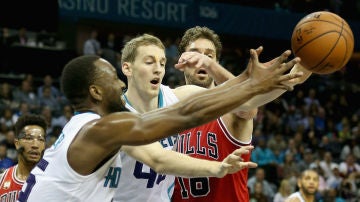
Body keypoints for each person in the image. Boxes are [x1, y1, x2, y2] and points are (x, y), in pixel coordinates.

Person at [19, 42, 302, 201]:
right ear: (95, 91)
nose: (118, 82)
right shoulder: (98, 129)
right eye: (112, 77)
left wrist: (246, 81)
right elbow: (185, 116)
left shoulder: (95, 127)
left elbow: (159, 152)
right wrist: (251, 86)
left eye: (162, 62)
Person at [172, 26, 312, 201]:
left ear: (216, 63)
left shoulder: (229, 108)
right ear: (182, 59)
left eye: (209, 55)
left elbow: (247, 107)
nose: (201, 59)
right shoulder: (169, 104)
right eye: (195, 53)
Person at [113, 33, 258, 202]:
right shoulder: (116, 117)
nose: (158, 68)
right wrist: (218, 167)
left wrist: (274, 84)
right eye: (149, 62)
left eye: (162, 63)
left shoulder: (177, 97)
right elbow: (159, 160)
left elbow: (246, 105)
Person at [0, 114, 47, 201]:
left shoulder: (53, 180)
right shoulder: (2, 179)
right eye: (29, 138)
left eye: (41, 140)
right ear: (17, 144)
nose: (35, 145)